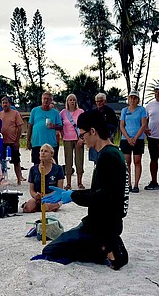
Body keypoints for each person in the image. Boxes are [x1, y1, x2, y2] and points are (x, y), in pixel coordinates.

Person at [40, 110, 129, 270]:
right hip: (105, 223)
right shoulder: (112, 153)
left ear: (93, 131)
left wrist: (72, 195)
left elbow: (103, 196)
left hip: (100, 226)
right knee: (63, 243)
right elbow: (104, 191)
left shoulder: (108, 156)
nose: (83, 140)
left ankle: (107, 248)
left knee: (51, 250)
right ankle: (108, 244)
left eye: (82, 135)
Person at [23, 143, 64, 213]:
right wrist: (36, 195)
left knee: (45, 207)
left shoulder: (58, 169)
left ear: (51, 154)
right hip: (38, 197)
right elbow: (31, 189)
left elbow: (59, 189)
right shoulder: (33, 169)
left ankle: (53, 206)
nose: (43, 153)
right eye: (41, 151)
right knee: (27, 208)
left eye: (46, 151)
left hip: (52, 196)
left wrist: (45, 196)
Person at [119, 92, 148, 192]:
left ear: (138, 100)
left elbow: (143, 125)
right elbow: (122, 125)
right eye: (131, 98)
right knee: (127, 162)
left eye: (135, 98)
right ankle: (128, 184)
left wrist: (135, 137)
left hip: (138, 138)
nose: (132, 100)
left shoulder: (142, 110)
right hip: (125, 138)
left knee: (137, 161)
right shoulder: (124, 110)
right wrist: (128, 138)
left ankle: (136, 184)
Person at [143, 84, 159, 190]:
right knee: (153, 159)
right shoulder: (149, 105)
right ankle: (154, 181)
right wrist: (145, 128)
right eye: (156, 91)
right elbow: (145, 119)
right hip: (153, 137)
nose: (157, 93)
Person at [27, 92, 62, 165]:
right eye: (44, 99)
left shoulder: (55, 113)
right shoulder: (34, 111)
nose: (46, 100)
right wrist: (28, 140)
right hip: (37, 142)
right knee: (37, 165)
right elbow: (30, 126)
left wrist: (53, 126)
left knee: (52, 164)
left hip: (51, 143)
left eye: (48, 99)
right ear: (41, 99)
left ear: (51, 101)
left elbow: (60, 126)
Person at [59, 94, 85, 190]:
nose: (72, 101)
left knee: (79, 160)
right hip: (67, 139)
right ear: (67, 101)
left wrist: (82, 138)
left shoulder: (80, 112)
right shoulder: (63, 113)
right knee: (68, 160)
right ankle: (68, 183)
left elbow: (84, 125)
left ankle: (79, 182)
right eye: (70, 100)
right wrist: (61, 133)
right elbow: (59, 123)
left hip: (78, 138)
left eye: (74, 100)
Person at [0, 96, 24, 184]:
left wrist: (17, 140)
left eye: (6, 103)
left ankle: (19, 179)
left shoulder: (15, 113)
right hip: (2, 142)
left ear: (9, 104)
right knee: (1, 162)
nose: (5, 104)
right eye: (3, 103)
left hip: (13, 142)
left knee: (16, 162)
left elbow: (20, 127)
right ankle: (1, 179)